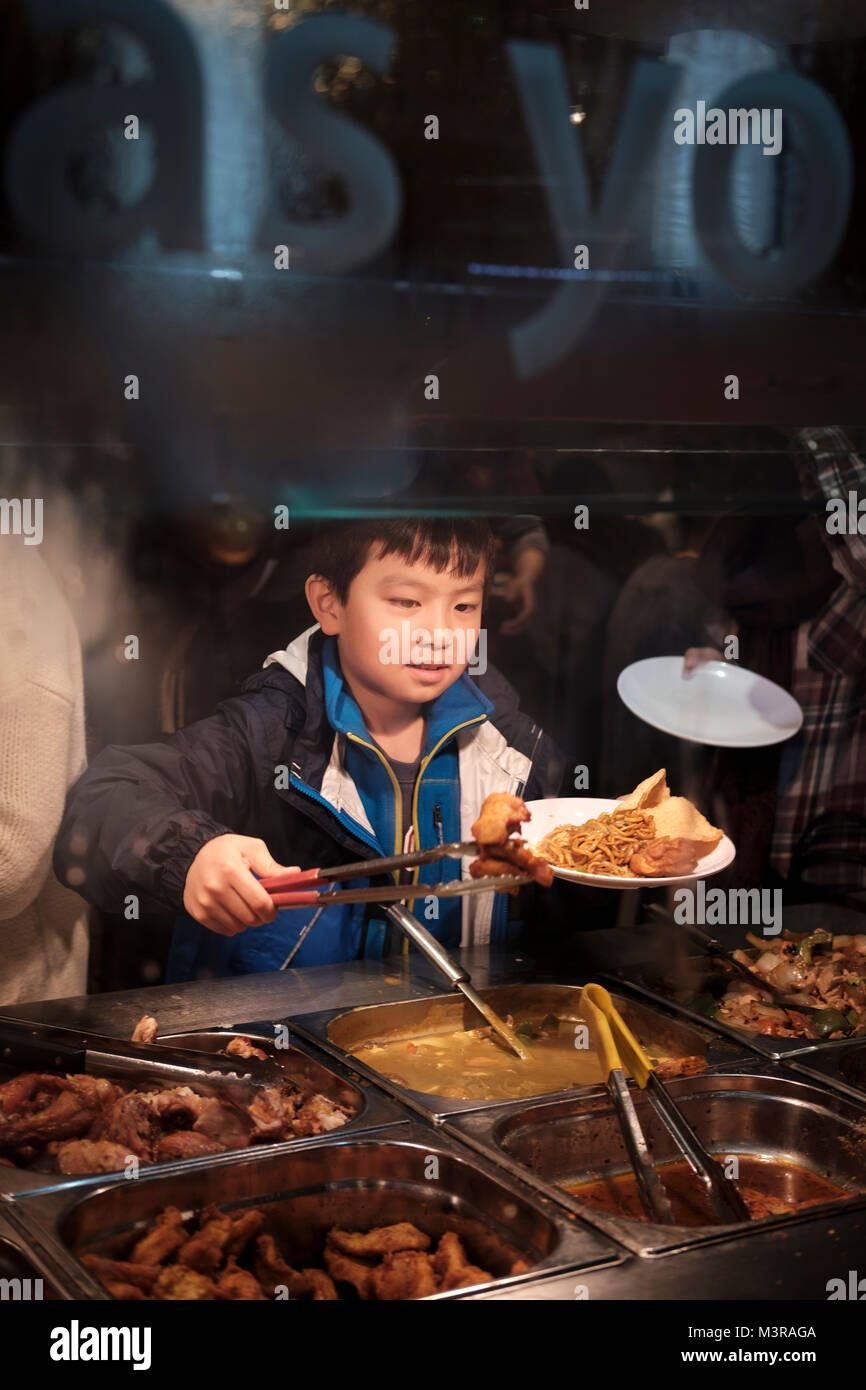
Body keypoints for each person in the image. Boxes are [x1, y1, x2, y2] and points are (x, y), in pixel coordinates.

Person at [53, 517, 563, 981]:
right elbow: (101, 799)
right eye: (407, 602)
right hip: (284, 1062)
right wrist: (191, 857)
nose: (439, 634)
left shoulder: (514, 752)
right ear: (329, 604)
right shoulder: (270, 734)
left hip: (454, 1053)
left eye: (464, 606)